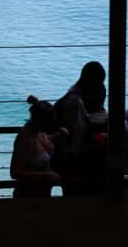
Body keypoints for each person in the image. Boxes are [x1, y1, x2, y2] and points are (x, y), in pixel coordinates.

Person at [52, 61, 109, 195]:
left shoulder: (73, 94)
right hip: (74, 162)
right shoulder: (75, 102)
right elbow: (74, 135)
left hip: (69, 160)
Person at [10, 95, 67, 197]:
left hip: (43, 193)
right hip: (28, 195)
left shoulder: (39, 132)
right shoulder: (24, 139)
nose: (50, 126)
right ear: (41, 121)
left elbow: (40, 144)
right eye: (48, 122)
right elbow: (14, 173)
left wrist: (56, 136)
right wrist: (45, 175)